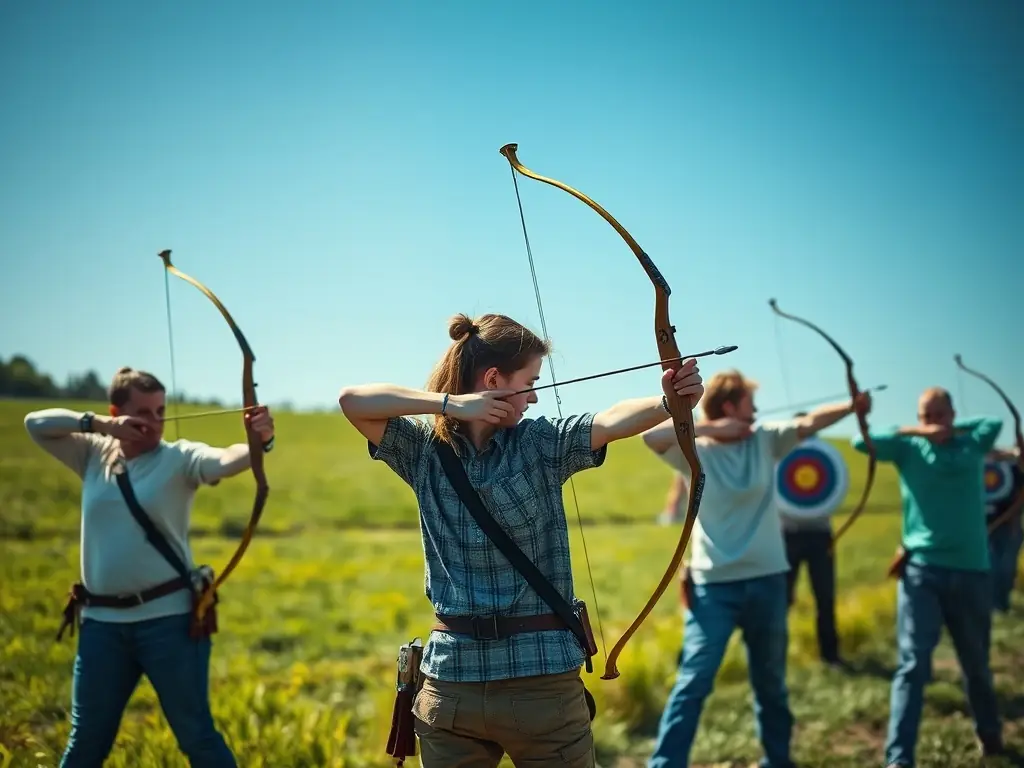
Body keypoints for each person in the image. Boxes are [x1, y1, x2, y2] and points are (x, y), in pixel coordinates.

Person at [337, 312, 705, 768]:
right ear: (494, 379)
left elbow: (610, 421)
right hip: (527, 686)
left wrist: (669, 401)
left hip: (455, 683)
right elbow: (351, 399)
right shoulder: (428, 452)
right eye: (529, 382)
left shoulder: (536, 443)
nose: (533, 397)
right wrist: (453, 405)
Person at [23, 366, 276, 768]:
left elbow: (229, 460)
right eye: (143, 412)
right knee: (86, 741)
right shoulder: (92, 453)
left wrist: (260, 439)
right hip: (101, 626)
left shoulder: (178, 458)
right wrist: (100, 426)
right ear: (116, 412)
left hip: (170, 625)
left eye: (161, 411)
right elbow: (34, 423)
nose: (155, 422)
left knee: (197, 737)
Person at [641, 369, 870, 768]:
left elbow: (810, 422)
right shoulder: (695, 449)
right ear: (730, 407)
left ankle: (778, 761)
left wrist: (852, 405)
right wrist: (714, 429)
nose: (757, 413)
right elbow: (651, 437)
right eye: (750, 406)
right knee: (693, 681)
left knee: (771, 684)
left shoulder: (765, 441)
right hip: (714, 587)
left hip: (768, 581)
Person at [851, 386, 1003, 767]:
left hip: (971, 571)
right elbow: (860, 442)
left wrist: (951, 430)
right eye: (925, 415)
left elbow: (994, 422)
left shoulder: (972, 443)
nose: (931, 422)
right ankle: (898, 758)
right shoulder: (909, 448)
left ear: (953, 413)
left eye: (939, 414)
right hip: (922, 571)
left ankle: (990, 733)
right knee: (913, 664)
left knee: (976, 663)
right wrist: (918, 432)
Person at [778, 411, 843, 667]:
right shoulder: (779, 455)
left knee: (825, 597)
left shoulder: (822, 454)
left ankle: (831, 655)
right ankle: (776, 657)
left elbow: (833, 489)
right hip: (787, 536)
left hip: (819, 536)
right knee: (781, 600)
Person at [987, 447, 1024, 613]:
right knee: (989, 567)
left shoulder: (1013, 465)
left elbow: (1019, 499)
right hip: (979, 527)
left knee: (1006, 568)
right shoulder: (972, 461)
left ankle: (1001, 605)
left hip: (1008, 526)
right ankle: (992, 605)